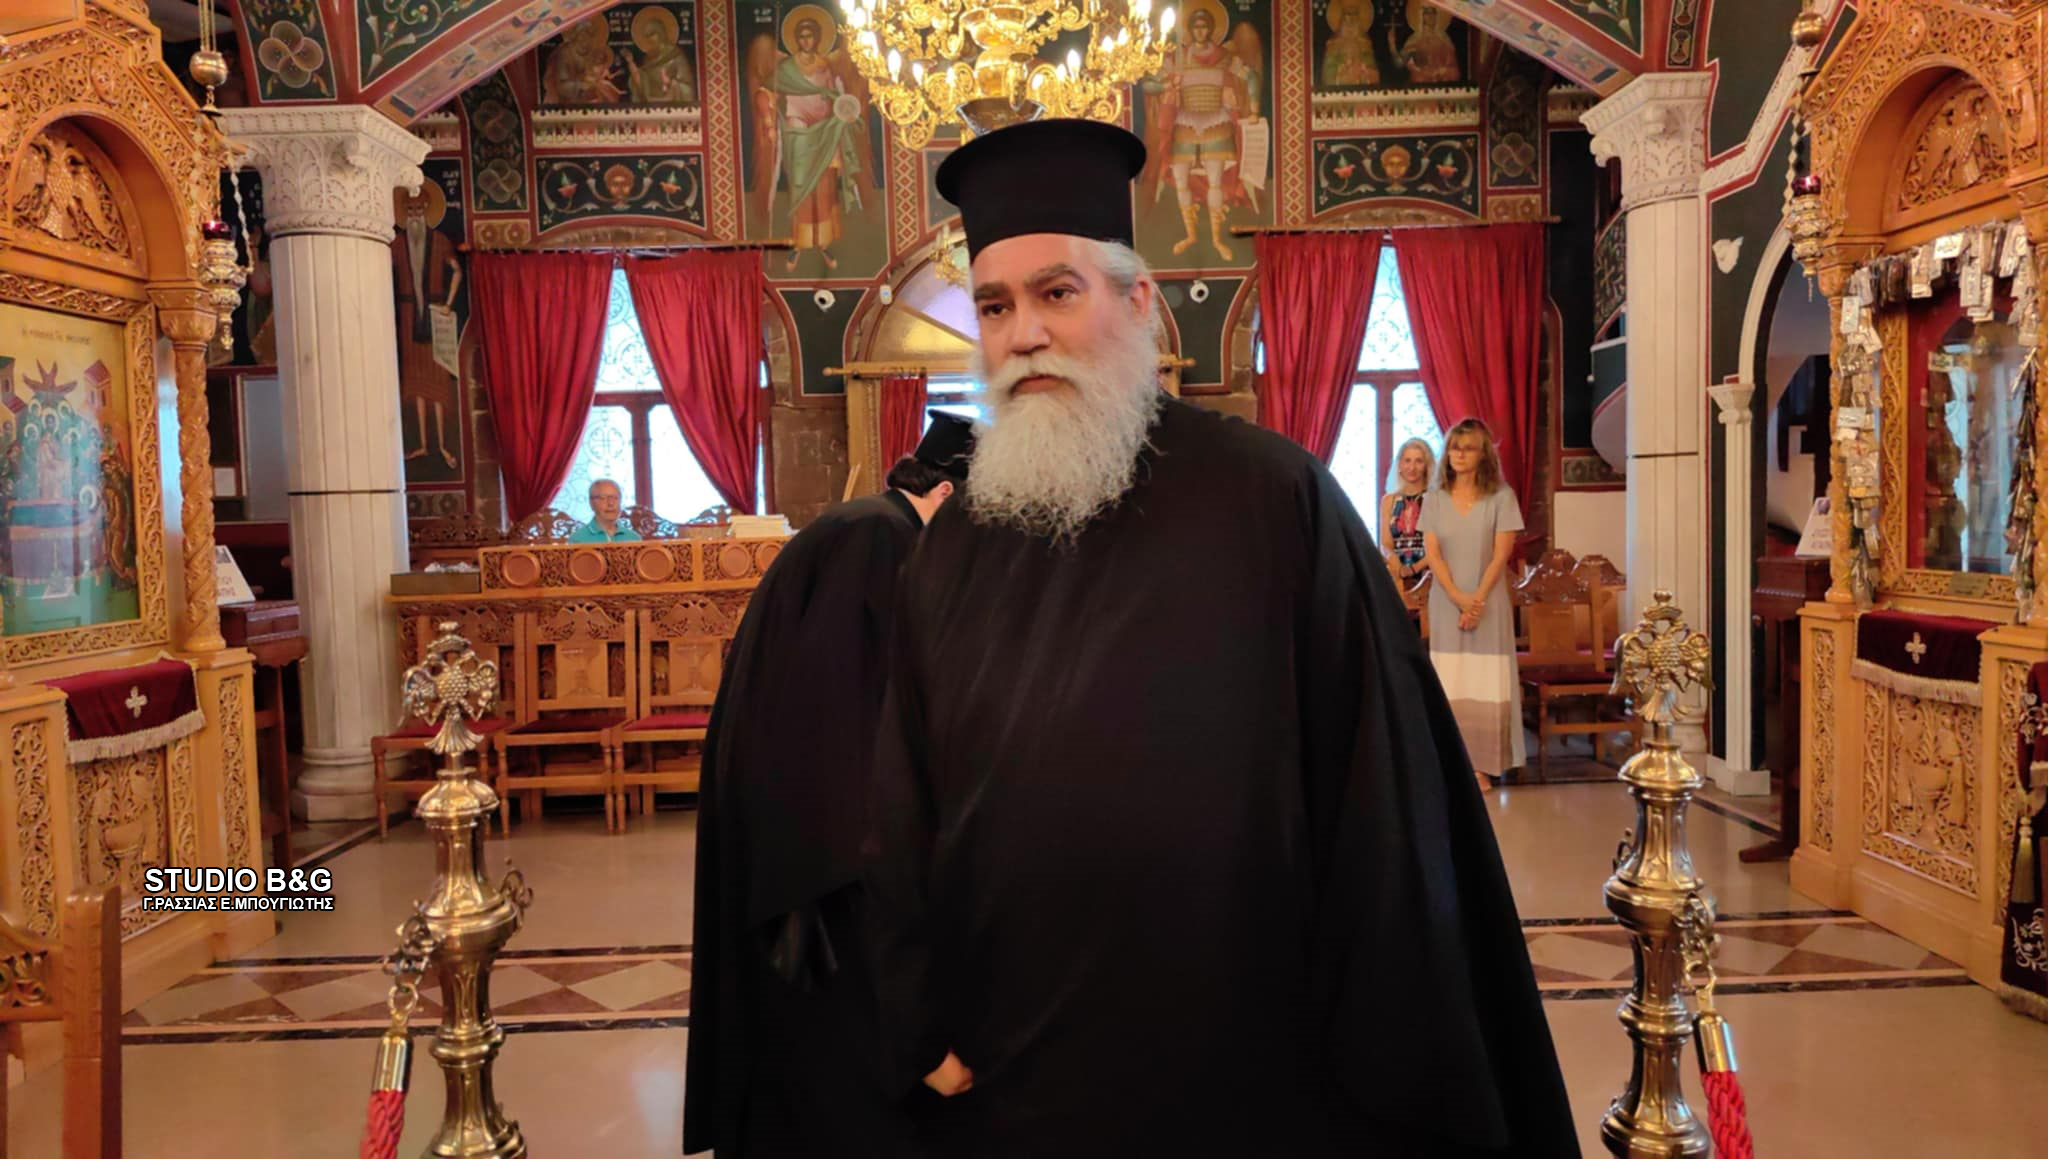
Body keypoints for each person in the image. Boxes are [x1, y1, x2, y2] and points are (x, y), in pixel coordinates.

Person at [867, 118, 1577, 1158]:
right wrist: (916, 1014)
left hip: (1245, 1058)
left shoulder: (1275, 499)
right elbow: (902, 794)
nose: (1022, 333)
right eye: (995, 305)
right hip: (1013, 1065)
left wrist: (1368, 1058)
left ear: (1137, 303)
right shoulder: (959, 539)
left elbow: (1380, 804)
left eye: (1056, 292)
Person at [685, 415, 974, 1158]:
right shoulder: (879, 539)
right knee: (834, 1054)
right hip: (820, 840)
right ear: (946, 495)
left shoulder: (871, 527)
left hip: (810, 814)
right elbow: (845, 717)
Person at [1419, 418, 1526, 787]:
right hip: (1446, 602)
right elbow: (1433, 554)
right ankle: (1453, 766)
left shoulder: (1501, 497)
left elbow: (1501, 556)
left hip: (1489, 603)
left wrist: (1476, 602)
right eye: (1454, 447)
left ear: (1484, 455)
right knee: (1451, 682)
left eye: (1468, 448)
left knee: (1485, 683)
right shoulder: (1434, 499)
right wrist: (1458, 598)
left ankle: (1483, 766)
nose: (1459, 455)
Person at [1379, 436, 1434, 582]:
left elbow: (1441, 545)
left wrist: (1414, 569)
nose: (1412, 467)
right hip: (1396, 574)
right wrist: (1395, 564)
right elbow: (1385, 544)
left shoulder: (1436, 499)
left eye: (1419, 461)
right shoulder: (1388, 500)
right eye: (1407, 460)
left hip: (1429, 574)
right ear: (1399, 465)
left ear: (1426, 466)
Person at [567, 479, 641, 543]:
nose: (611, 503)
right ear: (591, 503)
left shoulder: (634, 538)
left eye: (615, 498)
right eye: (603, 498)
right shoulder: (578, 539)